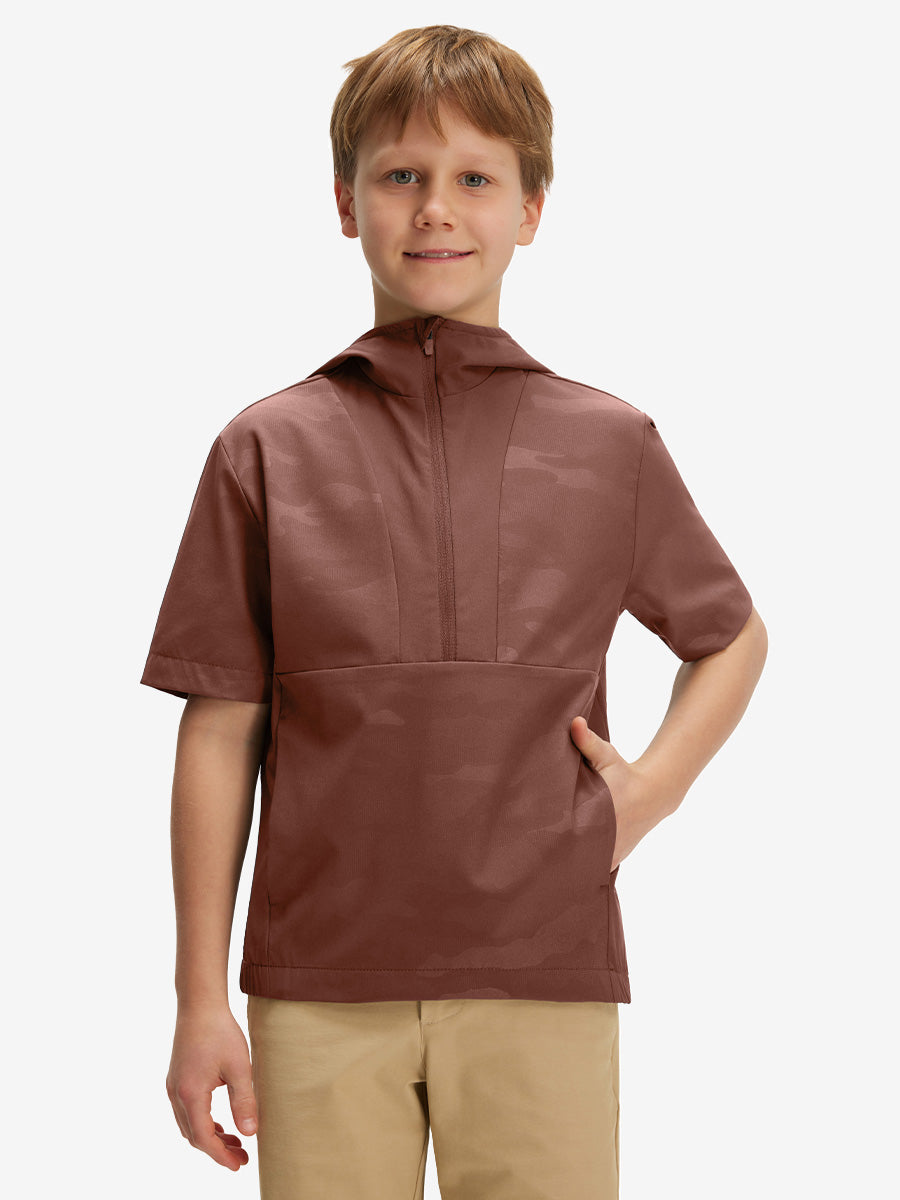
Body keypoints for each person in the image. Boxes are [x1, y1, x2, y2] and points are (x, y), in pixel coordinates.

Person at [141, 24, 768, 1200]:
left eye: (475, 178)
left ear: (532, 210)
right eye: (401, 175)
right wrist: (197, 1001)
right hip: (319, 990)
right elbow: (218, 729)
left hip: (543, 971)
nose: (436, 208)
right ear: (346, 203)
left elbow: (729, 635)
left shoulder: (610, 444)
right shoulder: (265, 447)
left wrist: (652, 792)